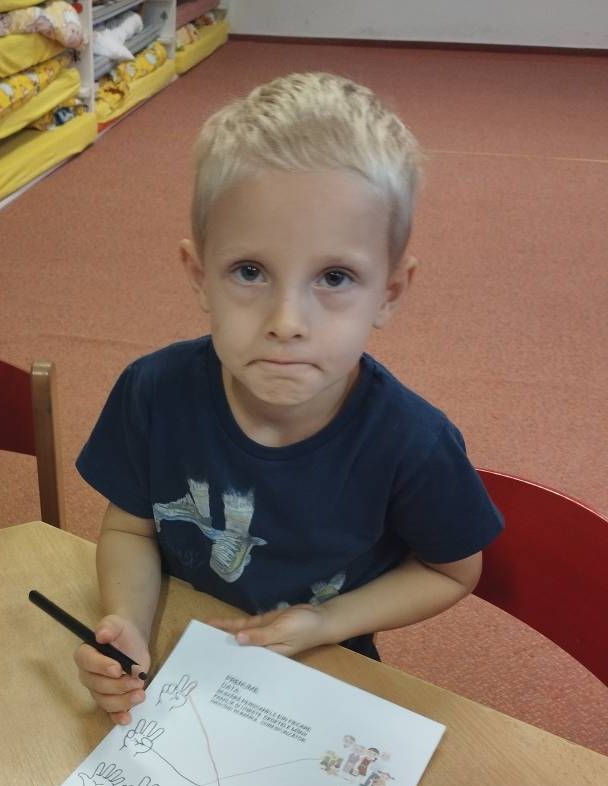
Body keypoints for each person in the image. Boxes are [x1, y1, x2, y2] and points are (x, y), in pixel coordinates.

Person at [73, 70, 503, 722]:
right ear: (200, 276)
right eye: (250, 271)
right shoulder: (153, 392)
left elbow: (451, 570)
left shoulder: (413, 443)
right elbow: (130, 528)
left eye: (335, 277)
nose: (286, 322)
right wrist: (127, 621)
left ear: (388, 293)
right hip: (176, 653)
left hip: (324, 666)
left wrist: (326, 621)